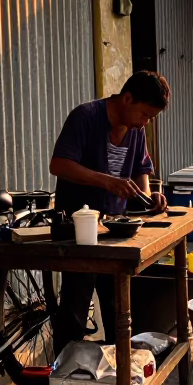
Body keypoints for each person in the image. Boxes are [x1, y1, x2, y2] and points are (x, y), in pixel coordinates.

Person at [49, 71, 170, 352]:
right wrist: (107, 181)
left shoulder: (136, 130)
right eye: (144, 114)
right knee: (75, 307)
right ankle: (66, 378)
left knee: (119, 305)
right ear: (127, 98)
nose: (146, 122)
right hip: (79, 229)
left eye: (151, 118)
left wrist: (148, 196)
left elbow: (141, 169)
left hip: (116, 230)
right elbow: (59, 165)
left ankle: (123, 372)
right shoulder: (85, 117)